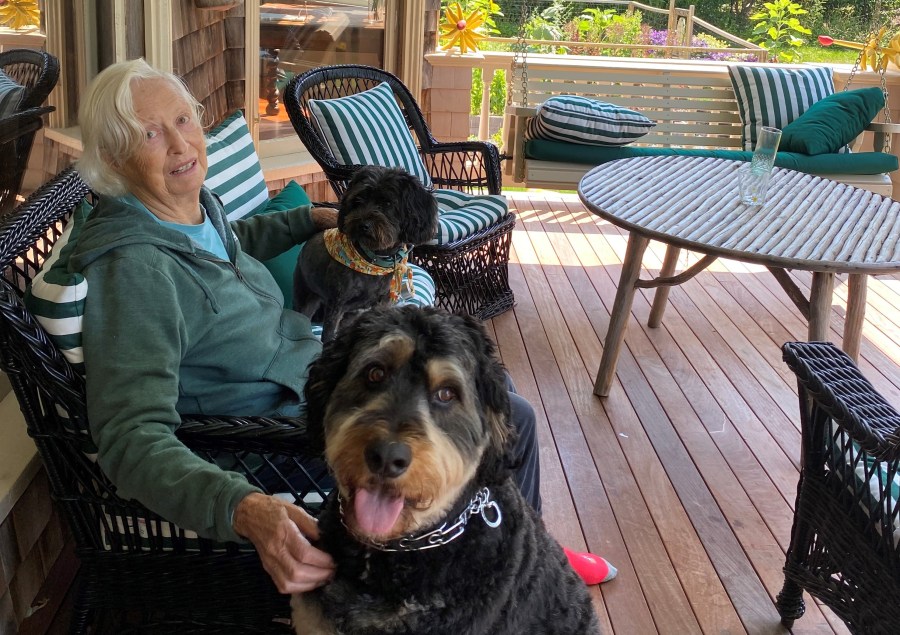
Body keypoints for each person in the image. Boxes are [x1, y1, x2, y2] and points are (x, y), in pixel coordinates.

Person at [70, 58, 613, 595]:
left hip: (313, 380)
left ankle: (521, 544)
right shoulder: (134, 269)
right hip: (276, 440)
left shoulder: (186, 211)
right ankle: (520, 569)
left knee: (484, 389)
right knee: (509, 419)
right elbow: (129, 439)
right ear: (115, 157)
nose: (179, 144)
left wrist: (311, 216)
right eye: (149, 134)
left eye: (183, 120)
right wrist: (243, 507)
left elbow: (230, 247)